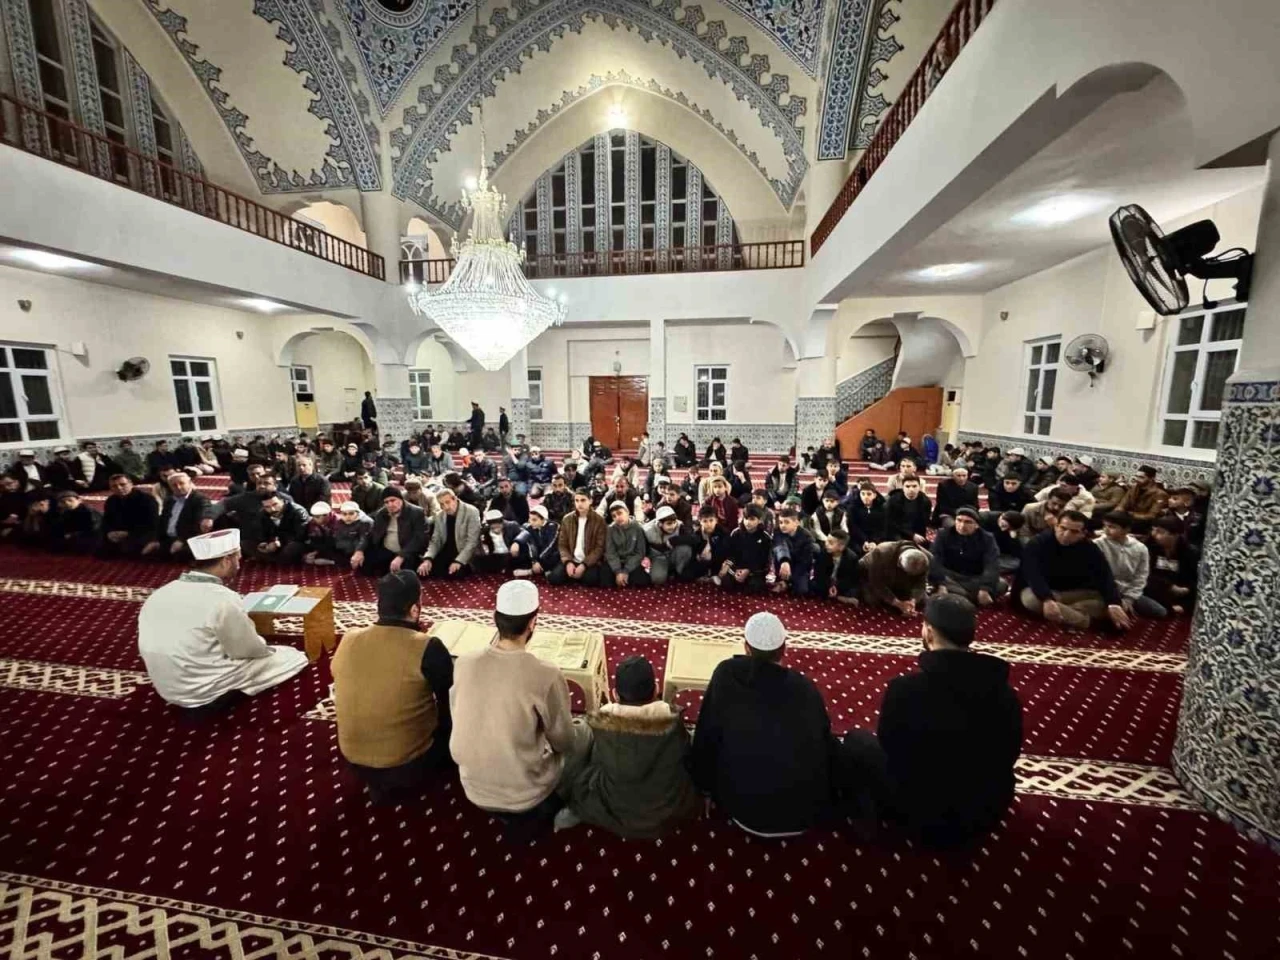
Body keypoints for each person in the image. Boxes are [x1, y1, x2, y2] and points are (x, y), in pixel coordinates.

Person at [845, 595, 1022, 848]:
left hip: (918, 814)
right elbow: (1009, 754)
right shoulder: (1005, 694)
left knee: (855, 740)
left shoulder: (905, 690)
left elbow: (890, 748)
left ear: (928, 632)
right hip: (983, 814)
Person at [449, 581, 592, 831]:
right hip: (527, 796)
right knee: (585, 733)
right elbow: (564, 741)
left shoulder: (463, 663)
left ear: (496, 619)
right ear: (532, 623)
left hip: (472, 788)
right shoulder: (545, 673)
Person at [691, 612, 843, 836]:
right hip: (805, 811)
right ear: (784, 649)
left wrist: (703, 789)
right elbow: (824, 742)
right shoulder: (805, 687)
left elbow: (707, 734)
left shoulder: (726, 675)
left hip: (742, 809)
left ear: (746, 648)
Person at [136, 529, 308, 709]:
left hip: (166, 688)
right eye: (238, 559)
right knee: (293, 656)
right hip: (201, 689)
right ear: (226, 561)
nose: (239, 564)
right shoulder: (222, 598)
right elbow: (247, 649)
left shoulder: (161, 592)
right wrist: (266, 646)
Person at [332, 571, 453, 803]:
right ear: (414, 610)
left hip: (353, 760)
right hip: (409, 764)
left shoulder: (349, 638)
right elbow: (451, 699)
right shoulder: (427, 646)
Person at [557, 654, 698, 837]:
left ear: (615, 695)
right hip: (666, 813)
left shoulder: (602, 725)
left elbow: (598, 758)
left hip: (614, 809)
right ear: (656, 689)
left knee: (583, 754)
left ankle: (576, 812)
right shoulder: (673, 722)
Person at [1018, 510, 1131, 631]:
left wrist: (1113, 604)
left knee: (1114, 602)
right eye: (1063, 528)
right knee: (1031, 600)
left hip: (1075, 593)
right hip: (1046, 591)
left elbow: (1104, 576)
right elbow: (1033, 575)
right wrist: (1047, 599)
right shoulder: (1037, 543)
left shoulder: (1090, 548)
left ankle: (1066, 613)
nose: (1066, 534)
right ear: (1056, 526)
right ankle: (1086, 622)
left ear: (1083, 533)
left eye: (1074, 531)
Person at [1095, 511, 1167, 619]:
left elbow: (1141, 576)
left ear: (1126, 530)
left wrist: (1129, 598)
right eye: (1105, 526)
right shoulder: (1098, 544)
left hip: (1128, 591)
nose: (1106, 530)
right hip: (1104, 591)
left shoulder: (1140, 548)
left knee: (1160, 612)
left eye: (1112, 527)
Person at [928, 507, 1005, 605]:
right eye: (959, 520)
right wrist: (940, 584)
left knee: (1002, 585)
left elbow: (992, 564)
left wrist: (985, 588)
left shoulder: (987, 538)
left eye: (968, 522)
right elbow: (935, 559)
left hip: (974, 577)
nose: (962, 525)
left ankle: (959, 596)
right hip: (949, 576)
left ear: (976, 525)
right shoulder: (943, 534)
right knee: (932, 574)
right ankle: (964, 596)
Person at [351, 487, 429, 577]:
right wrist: (359, 551)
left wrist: (401, 556)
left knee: (407, 574)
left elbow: (419, 538)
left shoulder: (417, 512)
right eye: (386, 502)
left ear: (401, 499)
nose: (390, 505)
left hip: (407, 552)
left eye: (393, 500)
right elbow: (370, 534)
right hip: (386, 550)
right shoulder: (382, 513)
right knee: (363, 565)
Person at [143, 472, 213, 560]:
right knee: (142, 547)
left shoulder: (199, 499)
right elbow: (162, 522)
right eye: (174, 485)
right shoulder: (169, 500)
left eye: (181, 483)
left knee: (185, 553)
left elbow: (197, 525)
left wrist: (182, 540)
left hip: (188, 538)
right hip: (169, 538)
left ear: (189, 483)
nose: (178, 487)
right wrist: (155, 540)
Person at [548, 490, 608, 586]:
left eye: (583, 500)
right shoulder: (567, 519)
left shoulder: (599, 520)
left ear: (590, 501)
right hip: (571, 559)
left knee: (590, 580)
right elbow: (562, 544)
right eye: (577, 500)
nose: (579, 504)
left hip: (589, 562)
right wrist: (568, 562)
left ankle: (575, 576)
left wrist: (584, 565)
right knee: (554, 578)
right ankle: (573, 574)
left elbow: (599, 548)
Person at [418, 487, 481, 579]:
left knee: (455, 574)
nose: (445, 507)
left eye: (447, 502)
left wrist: (459, 561)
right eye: (441, 504)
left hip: (464, 553)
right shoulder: (440, 515)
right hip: (446, 551)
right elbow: (436, 540)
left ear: (454, 499)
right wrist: (428, 558)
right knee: (423, 571)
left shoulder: (471, 511)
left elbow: (472, 542)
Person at [1145, 516, 1200, 615]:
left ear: (1174, 535)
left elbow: (1193, 578)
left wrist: (1185, 590)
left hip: (1181, 590)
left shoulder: (1190, 552)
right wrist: (1168, 586)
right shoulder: (1150, 546)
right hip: (1157, 587)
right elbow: (1146, 573)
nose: (1154, 534)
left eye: (1160, 532)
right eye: (1153, 530)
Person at [859, 541, 930, 615]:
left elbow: (921, 583)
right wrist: (898, 603)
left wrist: (913, 601)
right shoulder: (882, 552)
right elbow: (877, 583)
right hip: (870, 574)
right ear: (899, 561)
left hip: (900, 581)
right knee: (872, 599)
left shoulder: (925, 560)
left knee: (924, 601)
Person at [98, 473, 158, 558]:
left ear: (131, 484)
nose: (119, 488)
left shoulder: (147, 499)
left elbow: (151, 523)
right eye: (114, 486)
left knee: (130, 547)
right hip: (118, 534)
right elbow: (106, 521)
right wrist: (110, 532)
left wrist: (128, 533)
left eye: (122, 484)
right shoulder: (111, 501)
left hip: (139, 533)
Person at [249, 492, 309, 565]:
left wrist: (279, 543)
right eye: (267, 507)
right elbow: (260, 531)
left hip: (292, 542)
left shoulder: (298, 511)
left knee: (292, 548)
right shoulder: (263, 513)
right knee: (246, 543)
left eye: (275, 504)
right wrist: (264, 542)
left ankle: (271, 559)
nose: (272, 509)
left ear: (282, 501)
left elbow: (300, 536)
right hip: (273, 543)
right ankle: (276, 559)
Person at [724, 504, 772, 593]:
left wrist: (749, 570)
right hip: (738, 568)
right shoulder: (736, 533)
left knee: (754, 587)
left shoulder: (765, 537)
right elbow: (731, 554)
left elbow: (764, 560)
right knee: (726, 583)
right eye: (746, 518)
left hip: (754, 570)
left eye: (752, 519)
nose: (748, 522)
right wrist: (735, 570)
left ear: (759, 520)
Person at [771, 506, 815, 596]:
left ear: (797, 523)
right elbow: (780, 546)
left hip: (799, 567)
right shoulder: (777, 531)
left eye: (787, 522)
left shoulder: (807, 537)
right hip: (783, 564)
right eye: (781, 522)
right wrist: (785, 561)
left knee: (801, 590)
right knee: (777, 551)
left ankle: (786, 582)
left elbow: (805, 562)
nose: (783, 525)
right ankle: (781, 580)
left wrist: (791, 577)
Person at [605, 502, 651, 587]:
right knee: (605, 580)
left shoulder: (637, 528)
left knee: (642, 580)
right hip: (617, 561)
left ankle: (623, 578)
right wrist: (618, 571)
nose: (617, 518)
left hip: (632, 561)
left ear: (627, 512)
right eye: (614, 516)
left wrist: (626, 570)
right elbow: (610, 552)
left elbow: (640, 552)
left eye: (620, 513)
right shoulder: (610, 529)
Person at [814, 528, 860, 604]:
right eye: (827, 541)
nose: (826, 544)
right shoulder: (823, 552)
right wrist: (829, 585)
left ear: (841, 547)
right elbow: (819, 573)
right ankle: (838, 597)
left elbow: (851, 578)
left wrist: (836, 586)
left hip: (840, 583)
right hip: (827, 581)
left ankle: (834, 596)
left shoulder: (852, 558)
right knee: (812, 586)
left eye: (830, 543)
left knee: (854, 590)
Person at [643, 504, 685, 586]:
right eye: (669, 524)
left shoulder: (680, 525)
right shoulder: (647, 530)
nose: (673, 526)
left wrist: (674, 540)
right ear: (660, 524)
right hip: (658, 557)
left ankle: (677, 571)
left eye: (674, 522)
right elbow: (643, 548)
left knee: (685, 548)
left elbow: (692, 538)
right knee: (657, 580)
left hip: (673, 554)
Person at [512, 504, 559, 578]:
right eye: (530, 519)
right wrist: (516, 542)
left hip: (549, 554)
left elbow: (549, 547)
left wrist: (538, 561)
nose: (531, 522)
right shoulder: (530, 526)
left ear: (543, 520)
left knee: (554, 555)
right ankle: (537, 569)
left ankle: (532, 571)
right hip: (538, 554)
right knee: (524, 545)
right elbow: (525, 537)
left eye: (534, 520)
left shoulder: (553, 527)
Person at [885, 477, 931, 547]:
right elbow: (891, 523)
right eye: (907, 486)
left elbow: (924, 523)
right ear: (903, 488)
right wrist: (911, 535)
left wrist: (917, 536)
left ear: (919, 487)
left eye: (914, 486)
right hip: (896, 533)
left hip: (917, 535)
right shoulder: (893, 500)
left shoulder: (925, 502)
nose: (911, 489)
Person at [846, 482, 886, 549]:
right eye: (863, 494)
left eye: (869, 494)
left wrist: (874, 542)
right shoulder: (853, 508)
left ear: (874, 495)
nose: (865, 497)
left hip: (877, 540)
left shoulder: (881, 509)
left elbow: (882, 527)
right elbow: (853, 527)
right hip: (858, 540)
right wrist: (864, 541)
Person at [0, 474, 27, 541]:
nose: (6, 486)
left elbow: (25, 513)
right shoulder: (3, 496)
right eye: (4, 485)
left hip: (18, 525)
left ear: (16, 482)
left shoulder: (24, 496)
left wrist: (16, 523)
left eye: (9, 483)